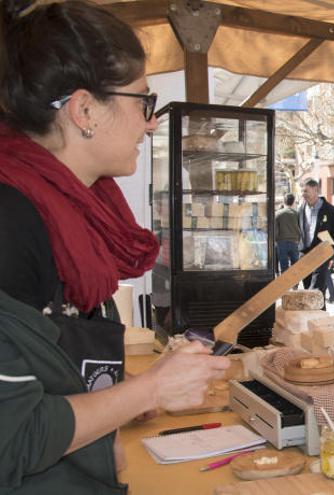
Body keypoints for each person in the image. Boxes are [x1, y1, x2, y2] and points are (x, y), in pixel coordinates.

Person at [0, 2, 230, 491]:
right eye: (142, 103)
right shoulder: (10, 224)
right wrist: (152, 386)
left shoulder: (78, 213)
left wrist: (136, 391)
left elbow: (55, 378)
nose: (150, 124)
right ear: (84, 109)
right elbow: (11, 439)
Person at [299, 179, 334, 305]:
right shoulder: (301, 209)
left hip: (321, 256)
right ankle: (313, 322)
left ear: (315, 190)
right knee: (308, 293)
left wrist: (330, 255)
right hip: (305, 257)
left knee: (316, 292)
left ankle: (320, 321)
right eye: (302, 191)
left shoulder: (330, 210)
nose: (303, 194)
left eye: (306, 191)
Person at [275, 193, 302, 273]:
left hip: (281, 242)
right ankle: (295, 283)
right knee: (295, 264)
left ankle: (285, 283)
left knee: (283, 265)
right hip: (295, 242)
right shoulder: (297, 214)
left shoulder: (278, 214)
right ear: (293, 202)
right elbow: (301, 228)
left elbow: (275, 229)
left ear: (284, 202)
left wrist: (275, 240)